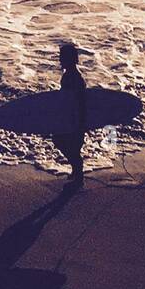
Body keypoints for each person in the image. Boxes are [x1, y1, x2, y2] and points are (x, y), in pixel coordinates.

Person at [52, 42, 87, 188]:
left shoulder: (73, 77)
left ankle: (79, 176)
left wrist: (76, 121)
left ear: (69, 59)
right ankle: (77, 173)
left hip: (75, 118)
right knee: (71, 146)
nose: (60, 60)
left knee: (63, 142)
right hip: (74, 118)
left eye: (62, 57)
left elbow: (77, 100)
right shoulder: (72, 74)